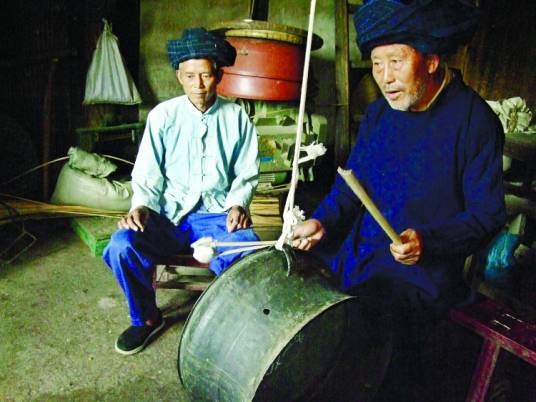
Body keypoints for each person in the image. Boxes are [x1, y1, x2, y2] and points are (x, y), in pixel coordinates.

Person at [293, 1, 506, 400]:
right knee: (295, 291)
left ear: (431, 60)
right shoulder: (379, 115)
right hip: (359, 253)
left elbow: (487, 215)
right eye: (377, 64)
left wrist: (429, 242)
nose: (385, 78)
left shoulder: (475, 122)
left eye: (396, 61)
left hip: (420, 272)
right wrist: (322, 222)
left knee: (372, 340)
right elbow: (350, 187)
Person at [103, 27, 259, 356]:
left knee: (247, 249)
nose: (198, 85)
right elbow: (147, 170)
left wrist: (237, 204)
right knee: (121, 245)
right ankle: (146, 318)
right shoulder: (163, 116)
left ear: (219, 75)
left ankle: (229, 322)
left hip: (215, 216)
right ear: (179, 77)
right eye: (190, 76)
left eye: (206, 75)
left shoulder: (236, 117)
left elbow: (246, 171)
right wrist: (141, 206)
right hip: (167, 216)